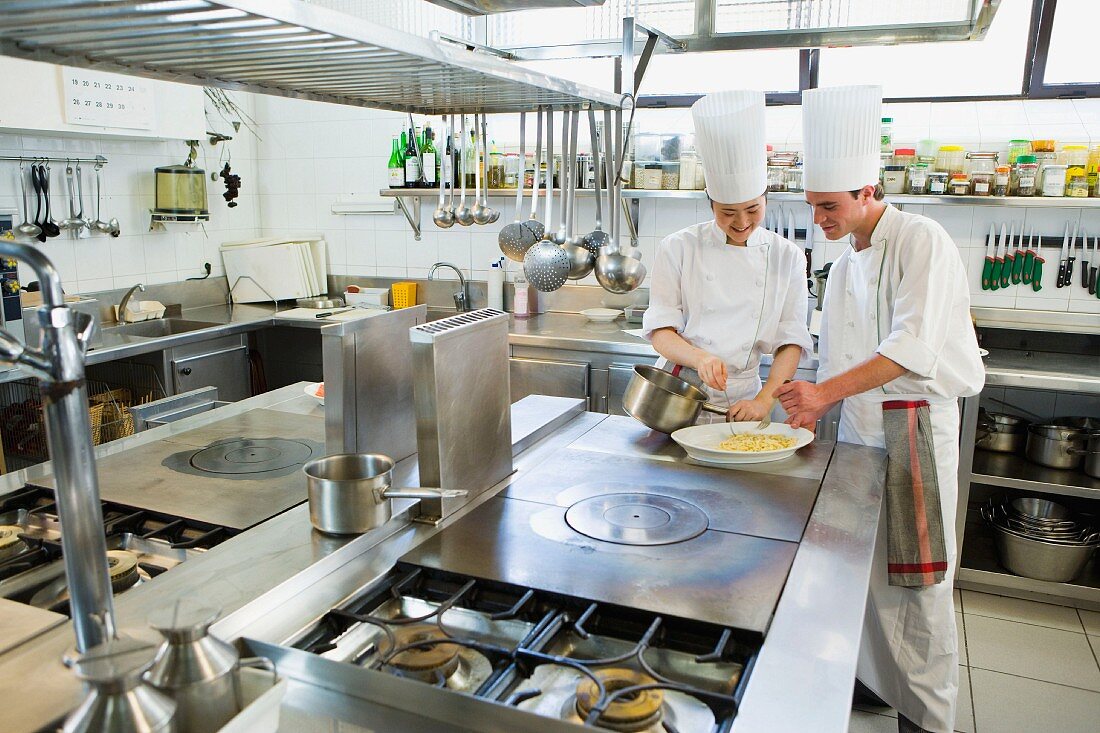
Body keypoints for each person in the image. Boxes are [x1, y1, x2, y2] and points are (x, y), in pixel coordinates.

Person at [775, 85, 985, 733]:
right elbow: (836, 362)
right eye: (812, 207)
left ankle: (926, 717)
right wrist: (813, 411)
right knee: (855, 577)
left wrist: (822, 396)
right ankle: (872, 680)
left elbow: (911, 349)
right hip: (859, 438)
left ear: (868, 191)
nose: (819, 221)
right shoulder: (842, 269)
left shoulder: (923, 242)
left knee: (916, 587)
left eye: (829, 206)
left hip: (913, 436)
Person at [642, 90, 812, 421]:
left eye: (752, 209)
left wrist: (764, 401)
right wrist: (699, 358)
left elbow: (791, 340)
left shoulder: (787, 256)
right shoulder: (679, 247)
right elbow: (661, 331)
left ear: (766, 199)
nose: (742, 223)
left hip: (746, 398)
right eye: (727, 213)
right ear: (711, 204)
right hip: (679, 393)